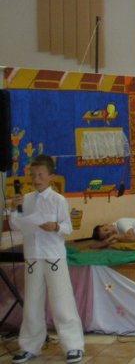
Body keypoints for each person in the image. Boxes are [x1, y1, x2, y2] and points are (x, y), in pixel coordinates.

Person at [9, 155, 85, 364]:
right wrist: (14, 209)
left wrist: (55, 227)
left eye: (41, 175)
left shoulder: (58, 200)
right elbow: (15, 225)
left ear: (51, 176)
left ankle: (73, 346)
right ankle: (29, 346)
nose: (36, 179)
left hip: (53, 257)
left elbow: (68, 228)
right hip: (33, 257)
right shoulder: (26, 199)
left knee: (62, 302)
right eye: (33, 175)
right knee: (32, 304)